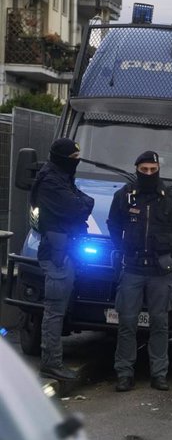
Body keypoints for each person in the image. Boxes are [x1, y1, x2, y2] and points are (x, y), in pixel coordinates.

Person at [107, 151, 172, 392]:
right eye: (144, 170)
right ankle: (124, 373)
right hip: (132, 267)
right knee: (127, 324)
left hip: (159, 270)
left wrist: (166, 244)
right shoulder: (125, 196)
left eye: (153, 170)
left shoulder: (171, 198)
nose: (149, 174)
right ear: (137, 170)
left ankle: (159, 374)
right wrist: (121, 246)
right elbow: (113, 224)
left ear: (159, 169)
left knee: (160, 324)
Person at [30, 138, 94, 381]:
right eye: (74, 160)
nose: (76, 164)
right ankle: (51, 363)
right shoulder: (51, 182)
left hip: (64, 251)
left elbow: (82, 202)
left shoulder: (60, 177)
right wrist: (82, 203)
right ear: (64, 160)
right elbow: (79, 206)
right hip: (57, 254)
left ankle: (52, 362)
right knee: (54, 311)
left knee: (58, 309)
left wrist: (82, 203)